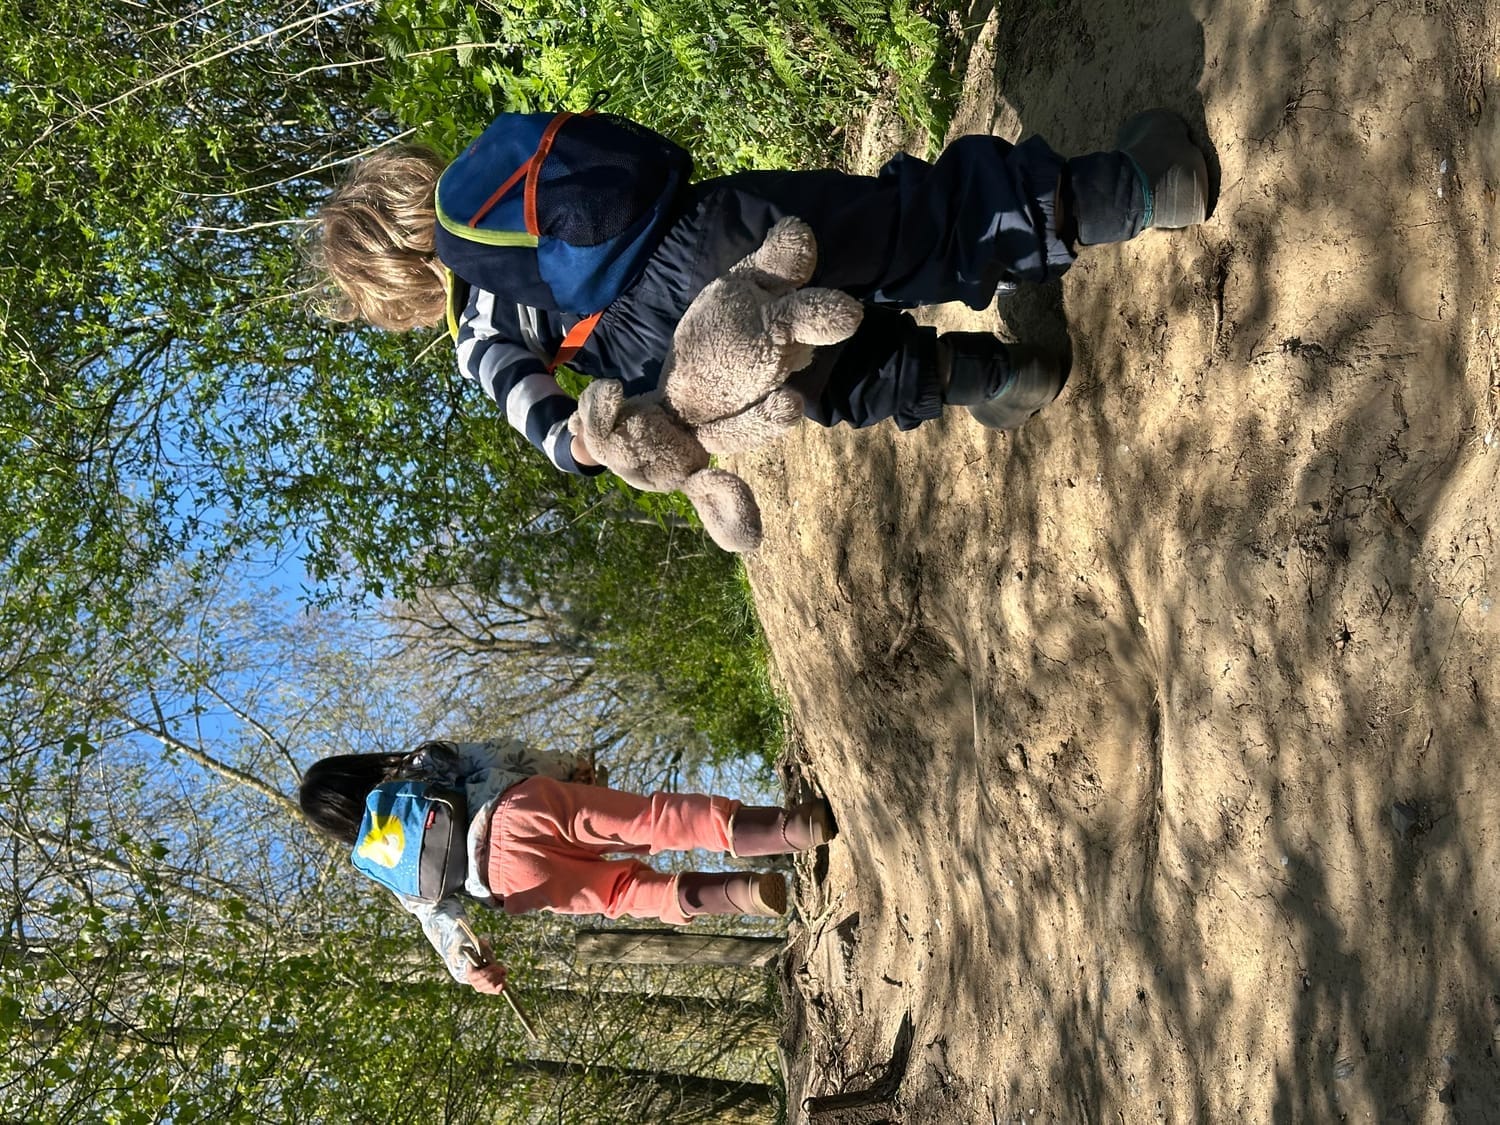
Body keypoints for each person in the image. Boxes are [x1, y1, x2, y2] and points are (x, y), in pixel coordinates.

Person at [312, 108, 1210, 472]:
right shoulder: (489, 203)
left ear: (397, 300)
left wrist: (600, 439)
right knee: (907, 229)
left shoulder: (478, 338)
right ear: (415, 186)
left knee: (825, 378)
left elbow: (556, 435)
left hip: (673, 353)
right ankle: (1137, 190)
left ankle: (1000, 378)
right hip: (712, 228)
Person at [297, 739, 834, 993]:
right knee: (650, 821)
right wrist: (568, 770)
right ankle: (791, 829)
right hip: (524, 807)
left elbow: (436, 917)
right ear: (356, 769)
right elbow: (500, 756)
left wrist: (469, 969)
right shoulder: (418, 766)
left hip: (510, 882)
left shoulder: (381, 861)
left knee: (623, 894)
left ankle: (743, 894)